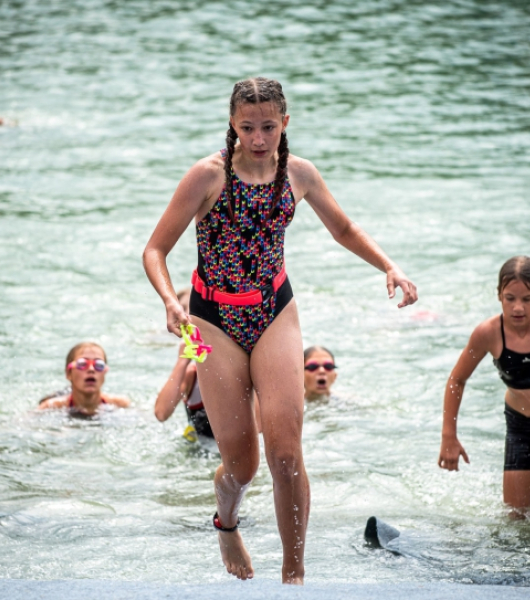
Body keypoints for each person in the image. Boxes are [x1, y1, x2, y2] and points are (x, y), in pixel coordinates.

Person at [143, 77, 417, 584]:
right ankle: (226, 521)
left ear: (285, 123)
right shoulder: (208, 176)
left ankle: (294, 574)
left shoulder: (298, 175)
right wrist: (167, 300)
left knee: (287, 452)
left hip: (274, 310)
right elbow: (154, 250)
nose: (259, 138)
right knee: (241, 466)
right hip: (208, 319)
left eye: (268, 126)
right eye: (247, 128)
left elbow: (345, 229)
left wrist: (389, 266)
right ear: (232, 124)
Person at [438, 256, 530, 514]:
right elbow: (457, 379)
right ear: (499, 295)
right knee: (516, 518)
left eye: (527, 299)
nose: (518, 308)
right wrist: (449, 436)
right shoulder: (488, 332)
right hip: (520, 426)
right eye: (510, 298)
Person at [155, 289, 214, 439]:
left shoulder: (239, 372)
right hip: (198, 448)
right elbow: (161, 413)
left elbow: (258, 426)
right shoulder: (192, 375)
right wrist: (182, 360)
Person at [39, 342, 130, 417]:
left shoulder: (121, 405)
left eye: (99, 365)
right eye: (82, 364)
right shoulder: (50, 407)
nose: (91, 369)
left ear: (104, 373)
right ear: (68, 373)